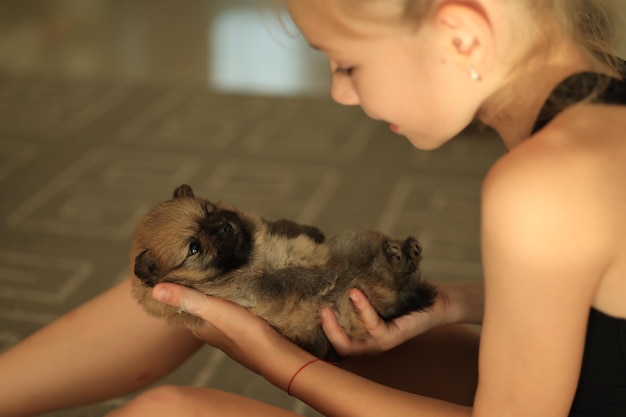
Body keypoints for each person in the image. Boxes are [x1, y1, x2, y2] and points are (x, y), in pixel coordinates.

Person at [1, 0, 625, 416]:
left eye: (348, 63)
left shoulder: (541, 183)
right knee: (187, 295)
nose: (339, 92)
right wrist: (455, 302)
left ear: (461, 35)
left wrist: (281, 364)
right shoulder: (597, 102)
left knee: (170, 413)